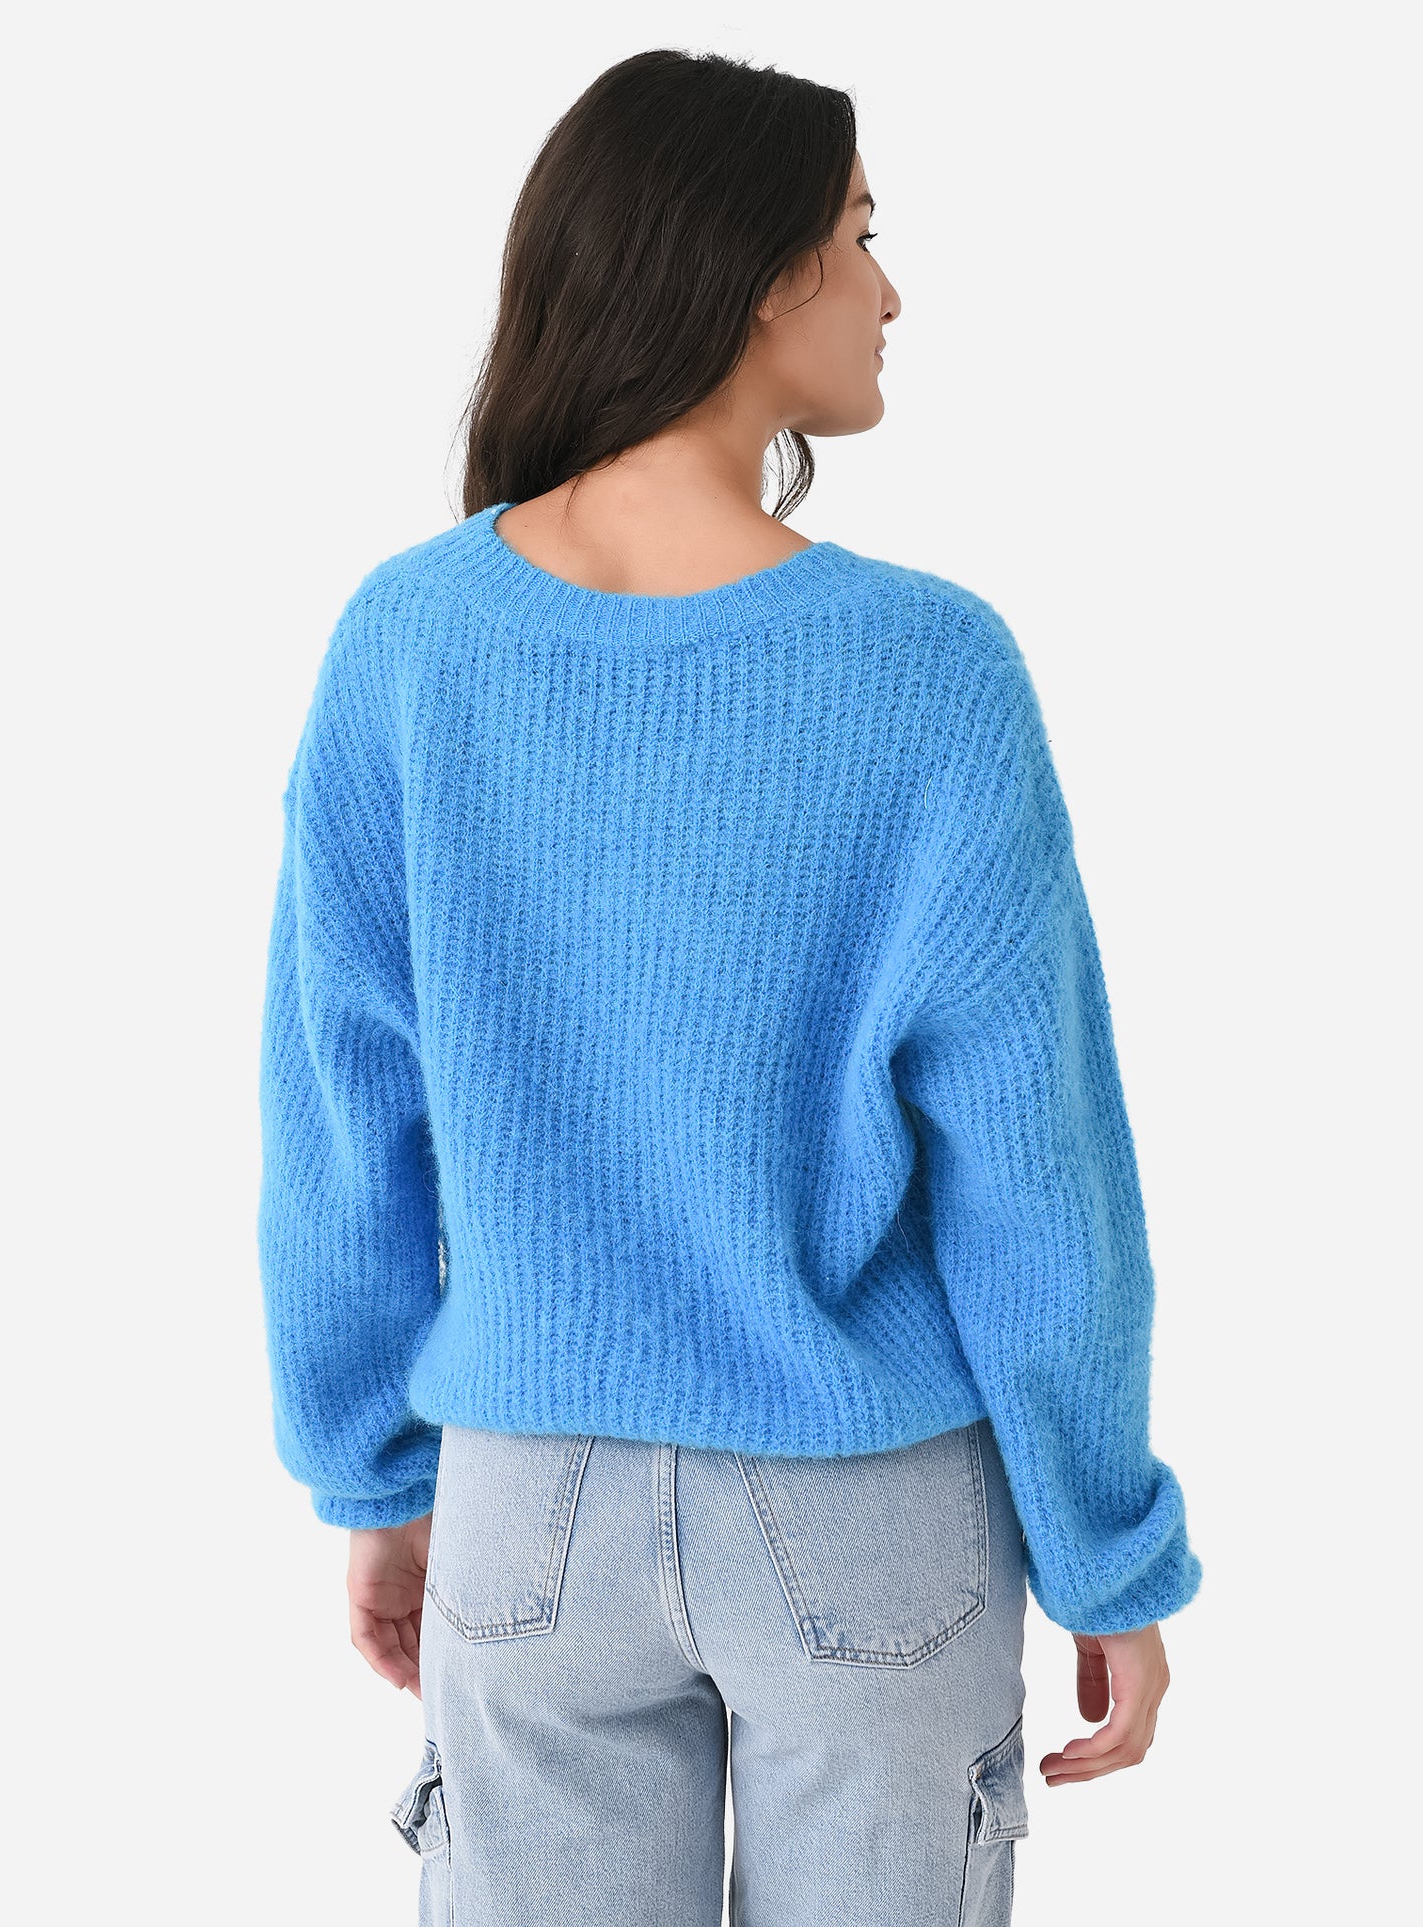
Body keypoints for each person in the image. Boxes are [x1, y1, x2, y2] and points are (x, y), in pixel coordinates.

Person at [257, 47, 1202, 1927]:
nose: (888, 290)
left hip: (524, 1504)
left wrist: (373, 1477)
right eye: (861, 235)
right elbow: (1034, 1171)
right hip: (869, 1508)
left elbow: (340, 1114)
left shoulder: (409, 640)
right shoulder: (926, 666)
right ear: (763, 271)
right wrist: (1104, 1548)